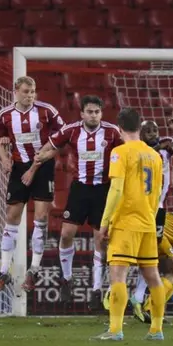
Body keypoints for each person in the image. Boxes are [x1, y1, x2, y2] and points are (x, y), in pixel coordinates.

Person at [34, 95, 122, 308]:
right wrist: (40, 158)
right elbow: (50, 145)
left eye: (97, 112)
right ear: (82, 113)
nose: (93, 115)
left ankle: (96, 290)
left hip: (103, 191)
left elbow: (126, 153)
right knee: (65, 235)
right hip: (79, 189)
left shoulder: (112, 132)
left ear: (101, 113)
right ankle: (66, 279)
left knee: (100, 240)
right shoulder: (72, 130)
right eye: (89, 111)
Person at [90, 108, 165, 341]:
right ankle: (156, 330)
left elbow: (116, 189)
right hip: (148, 222)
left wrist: (104, 222)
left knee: (118, 275)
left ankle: (115, 330)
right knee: (153, 275)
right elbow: (159, 191)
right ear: (140, 128)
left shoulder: (120, 152)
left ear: (119, 128)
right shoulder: (155, 155)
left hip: (126, 221)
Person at [0, 76, 66, 293]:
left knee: (41, 217)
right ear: (16, 90)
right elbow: (0, 139)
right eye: (26, 91)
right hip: (18, 167)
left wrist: (38, 163)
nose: (30, 95)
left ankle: (33, 270)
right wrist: (5, 160)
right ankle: (4, 271)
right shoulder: (5, 115)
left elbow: (61, 141)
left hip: (43, 167)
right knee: (12, 217)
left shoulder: (47, 111)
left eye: (33, 91)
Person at [127, 118, 173, 320]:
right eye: (148, 130)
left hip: (157, 210)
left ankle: (138, 298)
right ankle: (120, 294)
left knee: (152, 254)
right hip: (139, 208)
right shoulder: (135, 148)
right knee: (139, 253)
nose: (153, 133)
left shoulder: (167, 144)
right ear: (140, 133)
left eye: (155, 130)